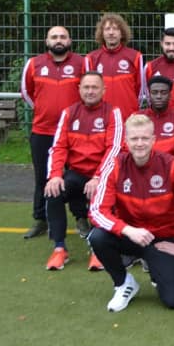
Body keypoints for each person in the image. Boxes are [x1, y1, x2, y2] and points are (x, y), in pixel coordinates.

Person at [88, 114, 174, 311]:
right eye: (134, 139)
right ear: (126, 141)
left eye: (145, 138)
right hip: (130, 235)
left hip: (162, 240)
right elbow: (96, 210)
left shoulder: (172, 165)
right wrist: (127, 230)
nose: (139, 144)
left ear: (154, 140)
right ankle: (123, 283)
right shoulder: (115, 165)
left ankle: (159, 271)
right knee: (97, 237)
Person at [43, 72, 122, 271]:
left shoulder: (113, 112)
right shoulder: (69, 113)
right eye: (86, 87)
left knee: (101, 194)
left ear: (103, 90)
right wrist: (54, 175)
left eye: (95, 87)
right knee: (53, 191)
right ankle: (60, 249)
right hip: (76, 173)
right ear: (79, 89)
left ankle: (98, 251)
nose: (90, 91)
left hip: (102, 174)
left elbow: (114, 149)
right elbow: (58, 147)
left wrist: (98, 177)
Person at [20, 25, 85, 238]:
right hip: (43, 131)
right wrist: (44, 110)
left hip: (74, 133)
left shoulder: (81, 63)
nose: (59, 40)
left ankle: (81, 218)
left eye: (63, 37)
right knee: (43, 177)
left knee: (76, 176)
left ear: (69, 41)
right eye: (54, 37)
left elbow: (88, 92)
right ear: (47, 42)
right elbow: (27, 94)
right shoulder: (34, 64)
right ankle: (41, 219)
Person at [84, 13, 145, 119]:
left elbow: (140, 91)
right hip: (100, 118)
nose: (111, 33)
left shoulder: (135, 57)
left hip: (129, 117)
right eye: (107, 29)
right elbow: (88, 92)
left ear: (122, 33)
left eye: (115, 29)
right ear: (102, 33)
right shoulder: (91, 58)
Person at [142, 74, 174, 161]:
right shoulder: (137, 117)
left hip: (170, 169)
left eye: (163, 93)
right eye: (154, 92)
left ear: (170, 95)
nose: (159, 96)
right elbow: (128, 149)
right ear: (149, 94)